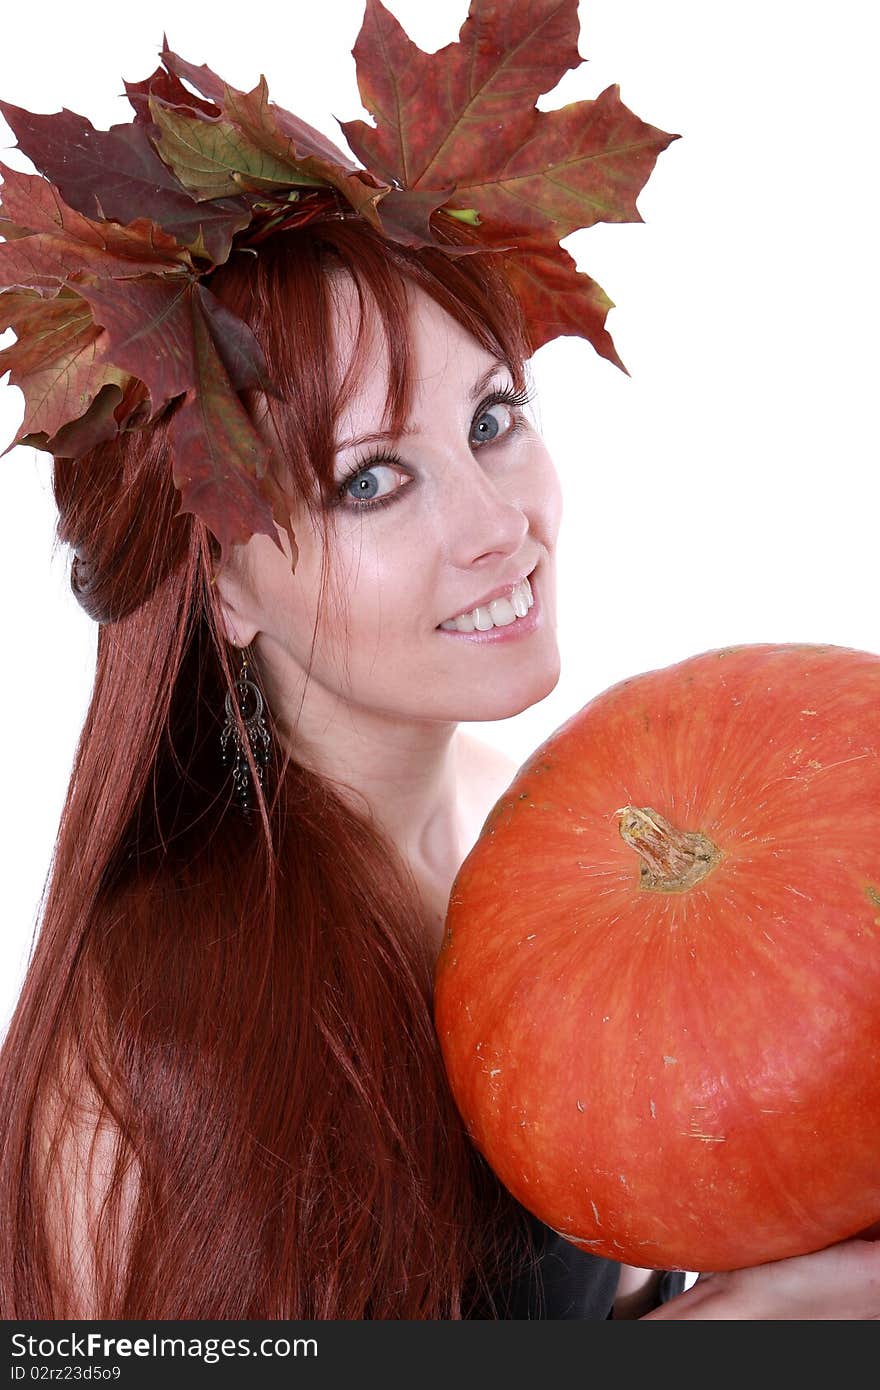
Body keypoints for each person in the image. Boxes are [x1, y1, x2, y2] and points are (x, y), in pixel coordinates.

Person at [2, 13, 880, 1323]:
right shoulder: (158, 1036)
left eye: (492, 419)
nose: (494, 525)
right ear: (223, 585)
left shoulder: (542, 822)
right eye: (371, 480)